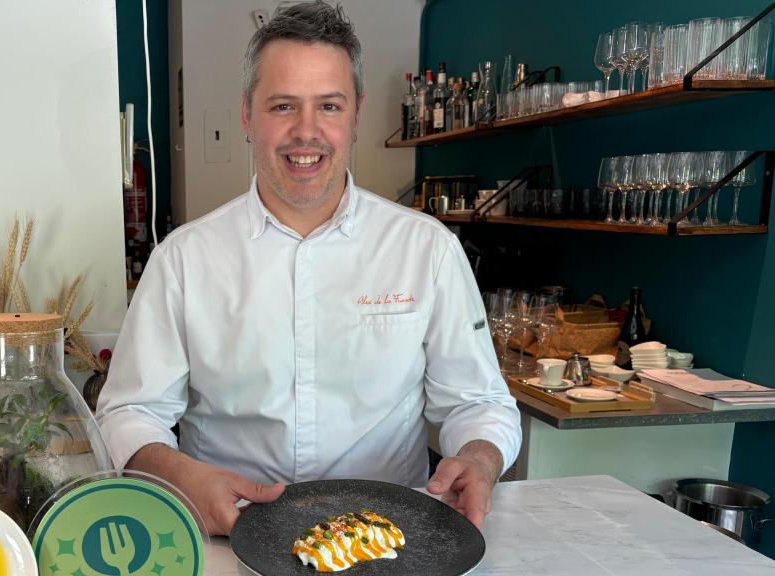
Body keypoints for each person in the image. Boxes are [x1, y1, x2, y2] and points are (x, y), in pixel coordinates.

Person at [96, 0, 521, 536]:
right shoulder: (183, 259)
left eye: (329, 106)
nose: (306, 131)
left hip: (391, 543)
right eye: (282, 107)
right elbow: (129, 411)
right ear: (247, 116)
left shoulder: (427, 250)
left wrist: (480, 459)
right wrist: (180, 476)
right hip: (233, 536)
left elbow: (478, 401)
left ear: (356, 114)